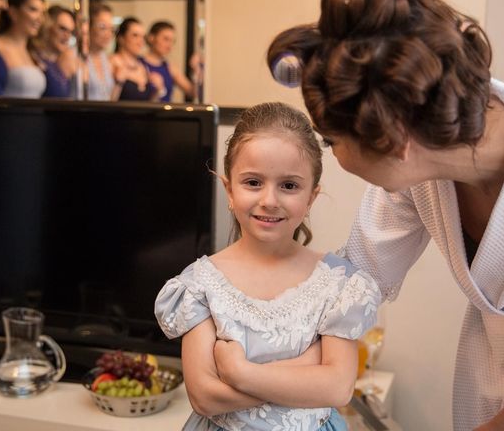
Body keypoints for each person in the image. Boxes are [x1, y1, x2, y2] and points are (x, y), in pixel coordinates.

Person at [266, 0, 504, 431]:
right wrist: (252, 314)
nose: (336, 157)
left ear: (395, 140)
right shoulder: (426, 154)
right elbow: (362, 273)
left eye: (331, 142)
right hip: (487, 376)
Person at [155, 102, 381, 430]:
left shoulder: (338, 283)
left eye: (289, 185)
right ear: (229, 189)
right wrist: (303, 375)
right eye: (253, 182)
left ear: (311, 198)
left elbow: (337, 387)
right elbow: (205, 396)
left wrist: (240, 374)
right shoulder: (199, 285)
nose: (270, 200)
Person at [0, 0, 46, 98]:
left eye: (42, 12)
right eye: (33, 10)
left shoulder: (31, 52)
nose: (40, 19)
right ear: (13, 12)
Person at [110, 16, 164, 101]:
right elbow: (107, 101)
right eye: (135, 36)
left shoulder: (143, 65)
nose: (141, 42)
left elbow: (149, 104)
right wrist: (118, 83)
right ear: (121, 38)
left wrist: (158, 90)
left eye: (142, 37)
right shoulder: (111, 62)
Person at [140, 20, 196, 102]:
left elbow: (192, 92)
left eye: (172, 41)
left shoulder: (170, 68)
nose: (169, 45)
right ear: (151, 38)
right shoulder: (138, 64)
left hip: (166, 113)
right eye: (166, 39)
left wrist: (195, 70)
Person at [35, 5, 78, 98]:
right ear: (48, 26)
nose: (67, 36)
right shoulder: (35, 59)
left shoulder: (60, 62)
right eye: (62, 29)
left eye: (70, 32)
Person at [86, 1, 116, 101]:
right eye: (102, 27)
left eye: (111, 29)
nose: (108, 34)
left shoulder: (106, 59)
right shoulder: (76, 56)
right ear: (88, 27)